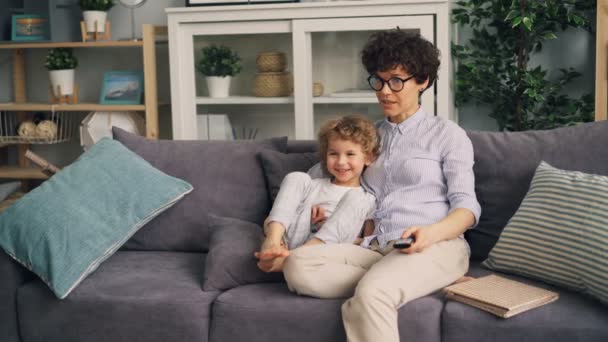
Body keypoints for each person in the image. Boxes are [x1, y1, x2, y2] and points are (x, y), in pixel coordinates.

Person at [282, 29, 481, 342]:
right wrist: (316, 205)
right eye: (379, 80)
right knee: (296, 264)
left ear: (423, 81)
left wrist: (430, 233)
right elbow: (321, 175)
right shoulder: (367, 136)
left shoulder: (447, 135)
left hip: (434, 245)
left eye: (397, 80)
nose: (385, 91)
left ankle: (393, 285)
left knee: (373, 293)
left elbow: (467, 209)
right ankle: (413, 283)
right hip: (373, 249)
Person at [254, 115, 379, 273]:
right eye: (333, 154)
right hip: (289, 242)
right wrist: (274, 232)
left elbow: (367, 244)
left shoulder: (366, 199)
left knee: (360, 197)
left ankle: (293, 258)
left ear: (368, 158)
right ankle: (272, 244)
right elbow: (276, 215)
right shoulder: (313, 185)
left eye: (350, 154)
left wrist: (327, 225)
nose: (341, 161)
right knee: (297, 177)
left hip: (324, 251)